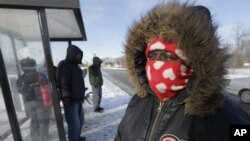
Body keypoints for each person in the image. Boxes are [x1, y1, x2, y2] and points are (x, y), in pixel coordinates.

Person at [115, 2, 250, 141]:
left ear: (193, 63)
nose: (156, 64)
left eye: (167, 56)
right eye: (151, 56)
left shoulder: (222, 114)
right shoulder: (138, 101)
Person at [16, 57, 52, 141]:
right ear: (33, 65)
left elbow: (20, 91)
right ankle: (44, 138)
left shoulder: (20, 79)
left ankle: (35, 138)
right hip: (41, 102)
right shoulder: (40, 75)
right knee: (43, 122)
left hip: (28, 104)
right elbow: (47, 87)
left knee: (34, 121)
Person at [56, 45, 86, 141]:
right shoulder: (64, 65)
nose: (79, 57)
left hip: (78, 99)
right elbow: (62, 82)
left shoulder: (76, 67)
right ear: (72, 54)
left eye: (80, 55)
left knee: (80, 120)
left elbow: (78, 82)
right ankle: (73, 138)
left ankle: (76, 137)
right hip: (70, 100)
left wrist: (82, 93)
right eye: (77, 55)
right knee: (74, 123)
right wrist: (66, 97)